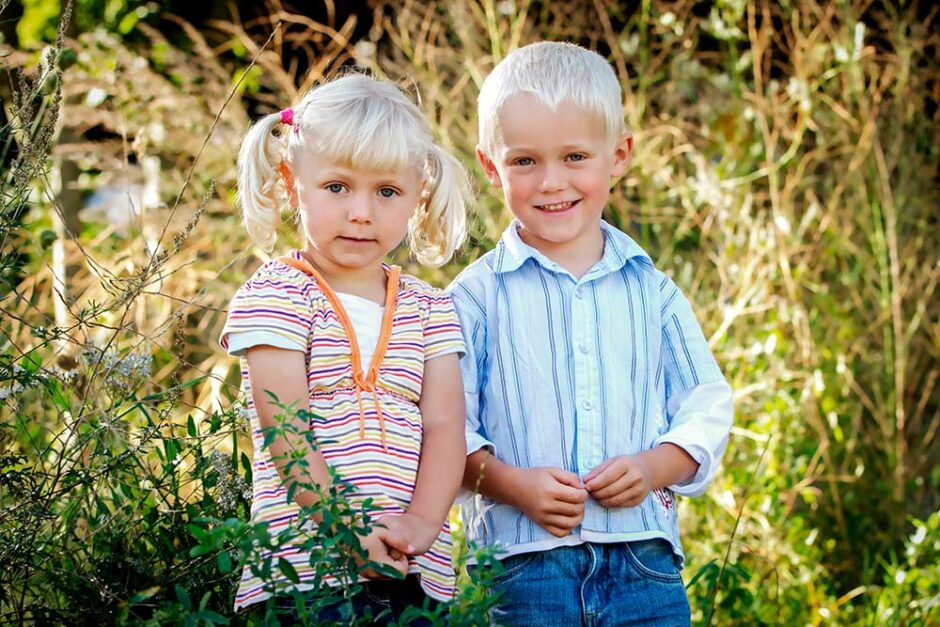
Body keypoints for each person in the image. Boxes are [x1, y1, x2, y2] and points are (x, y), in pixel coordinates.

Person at [450, 41, 734, 626]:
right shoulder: (474, 298)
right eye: (524, 161)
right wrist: (509, 484)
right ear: (489, 166)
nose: (551, 182)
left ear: (619, 154)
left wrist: (656, 466)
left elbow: (707, 405)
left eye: (575, 156)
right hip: (520, 571)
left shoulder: (651, 291)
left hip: (644, 568)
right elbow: (446, 428)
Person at [220, 72, 470, 621]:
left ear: (417, 197)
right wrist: (349, 530)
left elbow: (447, 428)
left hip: (415, 575)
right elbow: (285, 429)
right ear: (292, 184)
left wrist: (422, 527)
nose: (361, 212)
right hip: (304, 579)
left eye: (386, 192)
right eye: (337, 188)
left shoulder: (430, 309)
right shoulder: (278, 293)